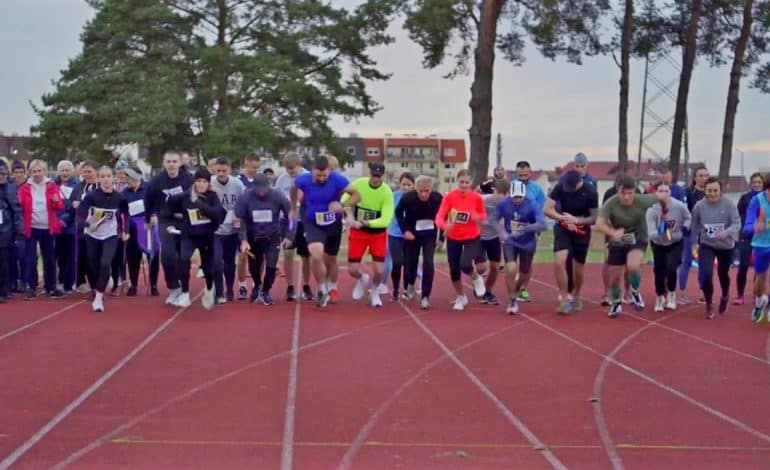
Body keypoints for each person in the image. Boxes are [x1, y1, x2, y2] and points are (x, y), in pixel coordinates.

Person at [290, 156, 359, 308]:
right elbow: (294, 188)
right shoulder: (303, 179)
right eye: (318, 175)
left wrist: (342, 204)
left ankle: (333, 287)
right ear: (312, 171)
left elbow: (357, 195)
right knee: (316, 253)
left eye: (324, 175)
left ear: (329, 171)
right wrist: (293, 207)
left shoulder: (338, 179)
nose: (321, 178)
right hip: (313, 222)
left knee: (331, 258)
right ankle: (322, 288)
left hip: (333, 222)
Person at [162, 167, 226, 309]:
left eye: (204, 181)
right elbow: (167, 208)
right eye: (198, 181)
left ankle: (209, 288)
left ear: (209, 183)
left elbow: (217, 213)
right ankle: (184, 293)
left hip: (207, 236)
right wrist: (170, 224)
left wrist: (198, 203)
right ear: (194, 182)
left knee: (208, 267)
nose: (201, 184)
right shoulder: (184, 197)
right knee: (183, 259)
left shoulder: (212, 197)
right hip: (189, 235)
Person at [595, 176, 658, 318]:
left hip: (638, 237)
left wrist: (664, 215)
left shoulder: (642, 200)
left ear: (634, 191)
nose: (627, 197)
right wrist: (613, 233)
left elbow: (660, 199)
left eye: (630, 193)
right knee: (615, 277)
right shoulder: (611, 203)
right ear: (618, 191)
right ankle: (616, 303)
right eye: (624, 193)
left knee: (632, 265)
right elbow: (599, 223)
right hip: (618, 240)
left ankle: (635, 291)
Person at [543, 169, 599, 313]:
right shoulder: (560, 186)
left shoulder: (590, 191)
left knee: (578, 268)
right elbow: (547, 209)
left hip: (581, 230)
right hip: (563, 228)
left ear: (580, 182)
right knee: (559, 261)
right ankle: (564, 296)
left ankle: (577, 295)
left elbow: (594, 218)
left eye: (571, 188)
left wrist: (577, 220)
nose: (568, 191)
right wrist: (561, 218)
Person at [144, 151, 195, 306]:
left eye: (174, 161)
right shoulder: (155, 181)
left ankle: (184, 289)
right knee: (167, 255)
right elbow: (148, 202)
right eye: (168, 161)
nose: (171, 164)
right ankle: (174, 287)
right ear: (164, 163)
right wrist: (148, 218)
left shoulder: (188, 179)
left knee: (183, 257)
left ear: (179, 163)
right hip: (166, 220)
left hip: (186, 221)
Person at [78, 166, 130, 312]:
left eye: (108, 176)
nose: (106, 179)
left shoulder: (120, 198)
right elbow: (80, 214)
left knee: (105, 263)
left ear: (113, 178)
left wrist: (125, 231)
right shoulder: (91, 196)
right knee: (93, 265)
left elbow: (126, 215)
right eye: (103, 176)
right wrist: (88, 223)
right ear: (99, 179)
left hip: (110, 235)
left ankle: (99, 297)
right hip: (92, 235)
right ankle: (97, 286)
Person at [235, 174, 292, 304]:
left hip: (272, 237)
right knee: (254, 267)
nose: (261, 192)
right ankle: (257, 285)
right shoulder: (245, 197)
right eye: (258, 189)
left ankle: (266, 290)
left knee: (272, 265)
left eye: (264, 188)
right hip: (253, 237)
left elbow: (291, 217)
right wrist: (243, 239)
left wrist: (289, 235)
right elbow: (240, 219)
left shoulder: (278, 196)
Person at [344, 162, 394, 308]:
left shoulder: (386, 192)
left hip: (377, 234)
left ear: (383, 176)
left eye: (379, 176)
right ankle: (362, 278)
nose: (376, 179)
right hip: (358, 232)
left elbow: (386, 219)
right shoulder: (358, 184)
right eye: (373, 175)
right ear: (369, 173)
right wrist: (349, 216)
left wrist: (366, 223)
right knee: (352, 269)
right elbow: (344, 202)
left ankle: (374, 291)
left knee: (379, 270)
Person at [435, 169, 487, 311]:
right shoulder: (449, 197)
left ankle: (476, 278)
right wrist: (446, 226)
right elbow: (439, 217)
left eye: (467, 182)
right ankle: (460, 296)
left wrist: (478, 217)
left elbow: (483, 214)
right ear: (457, 181)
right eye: (461, 182)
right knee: (454, 268)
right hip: (453, 237)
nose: (464, 185)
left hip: (472, 236)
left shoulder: (476, 198)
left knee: (465, 264)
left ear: (471, 182)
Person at [690, 177, 741, 319]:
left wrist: (726, 232)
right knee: (706, 274)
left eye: (715, 191)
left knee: (723, 274)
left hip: (726, 246)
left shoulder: (729, 205)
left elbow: (737, 224)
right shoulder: (699, 206)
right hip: (707, 245)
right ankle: (709, 303)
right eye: (709, 191)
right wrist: (694, 244)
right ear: (705, 190)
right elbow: (694, 226)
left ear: (720, 191)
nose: (712, 194)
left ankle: (725, 296)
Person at [494, 180, 547, 314]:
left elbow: (543, 224)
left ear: (524, 195)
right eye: (514, 197)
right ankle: (512, 300)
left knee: (524, 273)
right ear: (510, 195)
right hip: (510, 241)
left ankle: (517, 287)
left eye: (520, 197)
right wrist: (501, 232)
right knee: (511, 268)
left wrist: (525, 228)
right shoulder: (504, 204)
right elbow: (492, 220)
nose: (517, 200)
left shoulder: (532, 204)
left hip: (527, 243)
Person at [18, 160, 65, 299]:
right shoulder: (24, 187)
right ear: (30, 173)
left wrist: (56, 202)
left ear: (44, 171)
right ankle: (31, 287)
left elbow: (60, 206)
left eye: (39, 171)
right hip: (31, 227)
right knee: (30, 259)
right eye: (34, 171)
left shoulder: (51, 185)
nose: (37, 174)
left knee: (49, 258)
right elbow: (19, 206)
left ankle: (50, 287)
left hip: (47, 227)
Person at [396, 175, 442, 309]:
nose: (423, 194)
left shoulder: (437, 198)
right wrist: (405, 231)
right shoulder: (408, 198)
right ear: (416, 190)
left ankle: (425, 297)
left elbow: (445, 215)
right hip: (412, 235)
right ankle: (410, 284)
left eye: (426, 191)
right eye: (420, 191)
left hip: (429, 235)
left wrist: (441, 238)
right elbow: (398, 213)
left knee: (428, 262)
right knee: (411, 265)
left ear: (431, 189)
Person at [646, 181, 691, 312]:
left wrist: (686, 227)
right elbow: (651, 233)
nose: (664, 194)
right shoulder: (652, 210)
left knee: (671, 268)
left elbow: (688, 217)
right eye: (661, 191)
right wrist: (662, 228)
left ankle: (671, 293)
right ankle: (660, 296)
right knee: (659, 269)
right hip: (658, 243)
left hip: (675, 241)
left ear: (670, 192)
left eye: (667, 191)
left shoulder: (679, 206)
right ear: (655, 193)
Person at [274, 152, 312, 301]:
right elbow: (277, 199)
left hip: (304, 221)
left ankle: (306, 285)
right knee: (288, 253)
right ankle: (290, 286)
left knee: (306, 255)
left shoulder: (309, 177)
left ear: (299, 165)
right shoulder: (281, 180)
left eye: (293, 169)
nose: (290, 171)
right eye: (287, 169)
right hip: (287, 221)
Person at [210, 157, 245, 304]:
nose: (221, 174)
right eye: (218, 171)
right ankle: (219, 292)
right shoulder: (210, 183)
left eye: (224, 171)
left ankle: (230, 288)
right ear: (214, 170)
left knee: (230, 262)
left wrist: (240, 217)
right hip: (216, 230)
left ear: (229, 170)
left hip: (232, 229)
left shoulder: (237, 184)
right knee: (216, 261)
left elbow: (243, 203)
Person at [122, 166, 160, 296]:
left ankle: (154, 285)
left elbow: (156, 203)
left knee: (153, 254)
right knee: (133, 256)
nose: (127, 180)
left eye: (129, 177)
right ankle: (134, 284)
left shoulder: (149, 188)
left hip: (148, 224)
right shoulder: (125, 192)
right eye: (126, 177)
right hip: (132, 226)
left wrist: (155, 215)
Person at [475, 179, 510, 305]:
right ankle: (477, 282)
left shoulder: (508, 205)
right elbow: (470, 197)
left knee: (495, 268)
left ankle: (488, 292)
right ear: (494, 192)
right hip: (478, 236)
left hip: (493, 237)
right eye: (501, 196)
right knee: (480, 267)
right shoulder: (483, 199)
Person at [741, 175, 770, 323]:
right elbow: (746, 227)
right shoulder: (757, 201)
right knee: (761, 278)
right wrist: (754, 227)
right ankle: (759, 304)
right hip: (761, 244)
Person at [680, 165, 709, 304]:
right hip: (689, 234)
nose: (704, 178)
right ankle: (682, 293)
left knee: (704, 264)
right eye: (701, 175)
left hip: (706, 235)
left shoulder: (712, 193)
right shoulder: (687, 192)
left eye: (706, 175)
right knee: (686, 262)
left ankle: (703, 293)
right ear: (695, 178)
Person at [70, 160, 100, 293]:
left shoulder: (101, 186)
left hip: (98, 228)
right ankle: (85, 283)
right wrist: (73, 205)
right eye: (85, 172)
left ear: (96, 172)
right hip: (82, 229)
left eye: (90, 171)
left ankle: (98, 284)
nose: (87, 174)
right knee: (82, 257)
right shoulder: (78, 187)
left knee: (94, 258)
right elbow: (69, 204)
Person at [735, 173, 764, 306]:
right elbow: (737, 214)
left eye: (759, 182)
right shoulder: (745, 198)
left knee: (759, 268)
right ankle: (740, 295)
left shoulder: (766, 198)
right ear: (751, 184)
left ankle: (756, 294)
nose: (757, 184)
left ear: (763, 184)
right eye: (754, 182)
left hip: (762, 238)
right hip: (746, 236)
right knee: (743, 266)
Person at [386, 172, 415, 301]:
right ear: (399, 184)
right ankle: (395, 290)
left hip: (410, 235)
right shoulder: (393, 197)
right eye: (404, 184)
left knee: (409, 265)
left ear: (413, 186)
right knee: (397, 262)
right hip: (395, 234)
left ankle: (406, 290)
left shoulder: (416, 198)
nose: (406, 187)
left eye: (409, 185)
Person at [236, 153, 261, 298]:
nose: (254, 170)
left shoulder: (260, 180)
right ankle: (242, 284)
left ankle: (257, 284)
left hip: (258, 224)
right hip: (243, 223)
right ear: (245, 164)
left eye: (257, 168)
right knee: (243, 255)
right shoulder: (238, 181)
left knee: (259, 257)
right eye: (252, 167)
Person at [54, 160, 78, 295]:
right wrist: (57, 219)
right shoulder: (53, 185)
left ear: (72, 172)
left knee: (71, 256)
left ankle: (69, 285)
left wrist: (64, 219)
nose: (65, 172)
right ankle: (61, 281)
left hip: (71, 226)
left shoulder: (76, 186)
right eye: (62, 170)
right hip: (56, 226)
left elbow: (76, 205)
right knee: (59, 256)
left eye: (67, 170)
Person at [0, 162, 22, 303]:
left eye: (3, 174)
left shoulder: (11, 188)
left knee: (4, 261)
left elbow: (17, 211)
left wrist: (18, 232)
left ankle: (4, 290)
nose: (1, 177)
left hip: (6, 230)